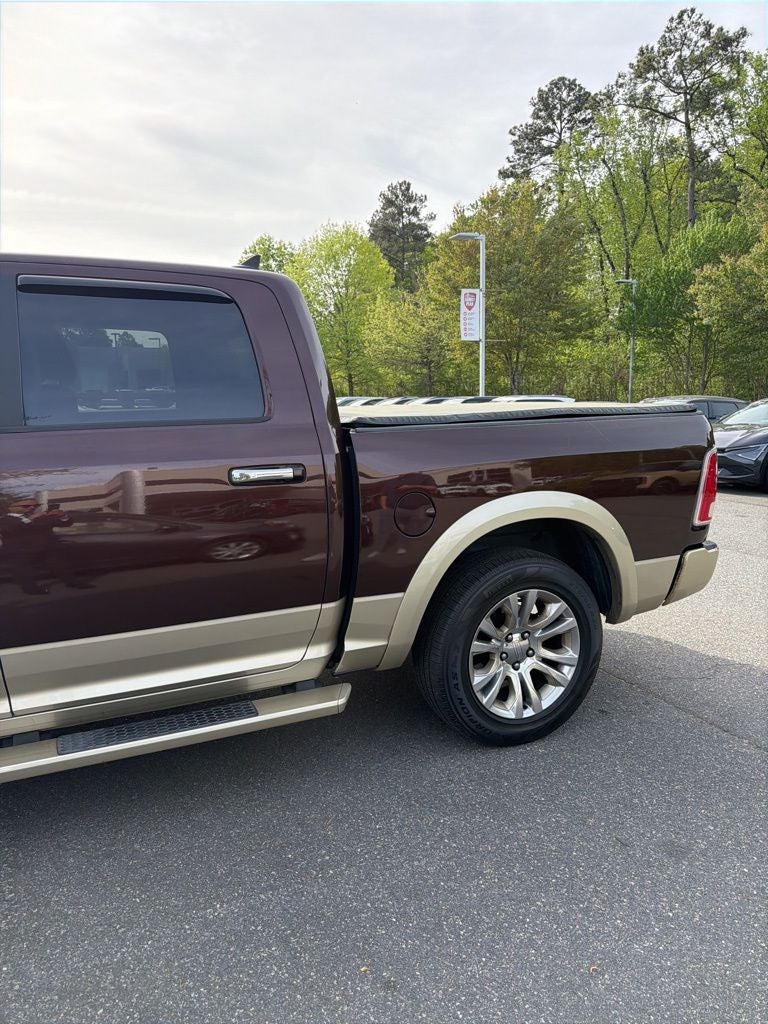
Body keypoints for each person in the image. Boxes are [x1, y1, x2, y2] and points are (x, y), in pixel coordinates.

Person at [0, 498, 92, 595]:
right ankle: (31, 589)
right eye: (26, 506)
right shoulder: (5, 519)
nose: (32, 508)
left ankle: (73, 582)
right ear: (10, 508)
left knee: (61, 566)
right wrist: (30, 519)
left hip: (48, 548)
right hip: (21, 551)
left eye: (36, 506)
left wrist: (63, 516)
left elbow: (66, 523)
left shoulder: (42, 517)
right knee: (24, 571)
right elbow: (8, 530)